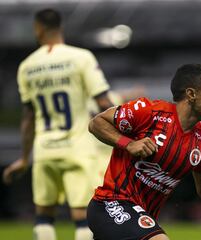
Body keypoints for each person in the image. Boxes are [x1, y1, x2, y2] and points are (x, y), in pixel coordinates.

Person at [87, 64, 201, 240]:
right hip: (111, 204)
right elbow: (96, 123)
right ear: (191, 94)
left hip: (142, 217)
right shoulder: (149, 112)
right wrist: (129, 144)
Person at [2, 8, 113, 240]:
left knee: (43, 215)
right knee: (83, 216)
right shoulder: (81, 57)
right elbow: (103, 101)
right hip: (78, 147)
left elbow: (28, 117)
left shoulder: (27, 66)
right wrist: (125, 135)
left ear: (38, 29)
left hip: (44, 150)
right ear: (60, 27)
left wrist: (24, 158)